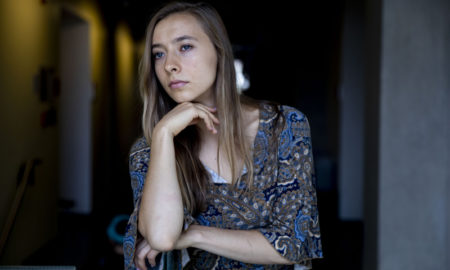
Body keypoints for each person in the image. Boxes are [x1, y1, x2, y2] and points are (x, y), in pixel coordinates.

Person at [123, 1, 323, 269]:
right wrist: (162, 136)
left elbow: (293, 245)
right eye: (158, 54)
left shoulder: (285, 126)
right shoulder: (151, 148)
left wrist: (194, 233)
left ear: (219, 51)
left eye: (185, 47)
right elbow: (161, 237)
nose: (169, 65)